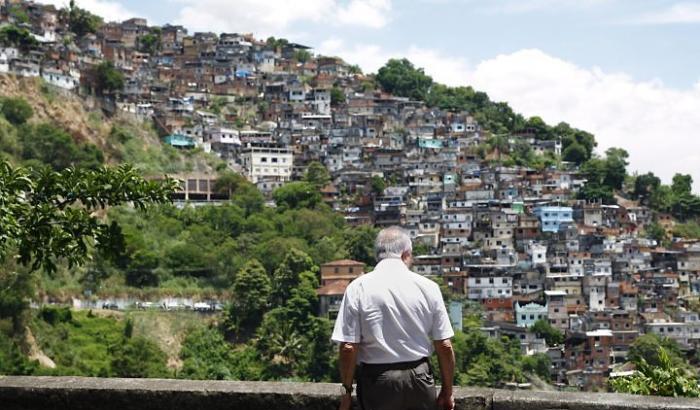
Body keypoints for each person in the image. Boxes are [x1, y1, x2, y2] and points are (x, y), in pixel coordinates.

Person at [332, 226, 456, 410]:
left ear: (378, 255)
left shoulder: (358, 288)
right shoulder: (428, 287)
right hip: (419, 379)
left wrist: (346, 393)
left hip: (378, 381)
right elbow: (445, 346)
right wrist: (447, 391)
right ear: (406, 254)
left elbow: (348, 347)